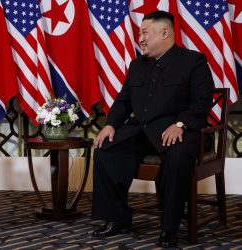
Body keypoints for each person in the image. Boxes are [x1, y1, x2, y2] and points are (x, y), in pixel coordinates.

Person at [91, 10, 214, 248]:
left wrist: (181, 124)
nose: (140, 38)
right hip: (143, 132)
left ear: (164, 33)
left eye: (144, 33)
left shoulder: (194, 61)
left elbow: (201, 101)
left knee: (177, 157)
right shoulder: (137, 65)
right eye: (139, 34)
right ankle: (118, 219)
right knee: (106, 148)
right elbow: (123, 100)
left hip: (181, 130)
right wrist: (110, 125)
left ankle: (169, 229)